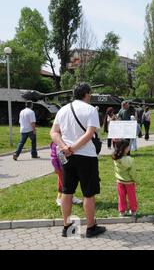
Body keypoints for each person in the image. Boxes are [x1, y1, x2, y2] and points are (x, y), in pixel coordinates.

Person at [50, 83, 106, 238]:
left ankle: (67, 227)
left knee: (67, 191)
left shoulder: (63, 110)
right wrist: (73, 148)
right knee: (88, 193)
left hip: (67, 157)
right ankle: (90, 227)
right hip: (86, 156)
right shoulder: (90, 110)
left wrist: (64, 147)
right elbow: (89, 134)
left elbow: (53, 132)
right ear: (87, 94)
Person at [50, 142, 83, 207]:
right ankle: (59, 198)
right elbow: (54, 157)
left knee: (69, 183)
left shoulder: (66, 140)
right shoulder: (56, 143)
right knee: (63, 183)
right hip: (61, 168)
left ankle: (71, 197)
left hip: (69, 166)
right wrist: (56, 168)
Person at [112, 139, 138, 217]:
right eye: (128, 147)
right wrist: (135, 179)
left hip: (120, 181)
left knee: (121, 196)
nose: (129, 148)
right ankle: (133, 210)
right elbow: (132, 172)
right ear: (124, 149)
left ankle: (122, 211)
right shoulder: (130, 160)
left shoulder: (115, 159)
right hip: (129, 181)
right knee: (132, 196)